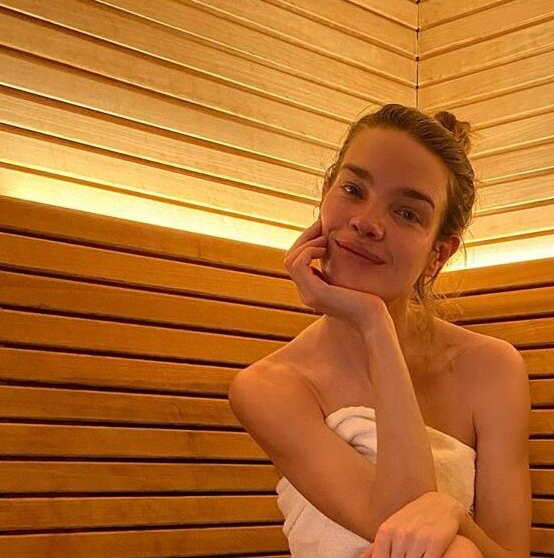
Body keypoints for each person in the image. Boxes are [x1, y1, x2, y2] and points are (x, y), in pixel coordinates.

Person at [228, 103, 532, 558]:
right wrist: (374, 322)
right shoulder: (269, 387)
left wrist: (454, 516)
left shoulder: (491, 369)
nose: (367, 222)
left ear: (438, 255)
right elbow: (402, 524)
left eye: (406, 214)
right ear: (325, 196)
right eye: (353, 190)